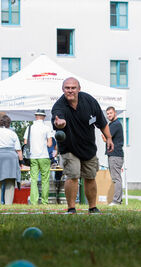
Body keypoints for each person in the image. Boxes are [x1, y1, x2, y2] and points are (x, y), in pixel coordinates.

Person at [51, 77, 113, 214]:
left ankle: (92, 207)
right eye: (67, 88)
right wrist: (60, 123)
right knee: (73, 175)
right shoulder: (59, 106)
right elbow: (58, 120)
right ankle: (71, 208)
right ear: (63, 89)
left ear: (79, 89)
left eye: (73, 88)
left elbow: (102, 122)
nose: (70, 90)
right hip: (69, 147)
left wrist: (109, 138)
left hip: (88, 147)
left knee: (90, 177)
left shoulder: (90, 101)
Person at [23, 109, 53, 205]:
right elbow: (50, 144)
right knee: (45, 180)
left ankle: (34, 201)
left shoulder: (30, 128)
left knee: (34, 179)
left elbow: (25, 142)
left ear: (36, 116)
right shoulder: (47, 128)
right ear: (44, 117)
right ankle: (44, 201)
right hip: (44, 156)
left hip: (33, 156)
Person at [103, 106, 124, 206]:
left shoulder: (115, 124)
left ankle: (116, 201)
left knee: (116, 179)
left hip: (115, 154)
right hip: (113, 154)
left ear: (115, 113)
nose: (109, 115)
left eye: (110, 113)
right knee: (116, 178)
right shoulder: (112, 124)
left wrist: (104, 134)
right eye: (107, 114)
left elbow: (105, 137)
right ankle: (118, 200)